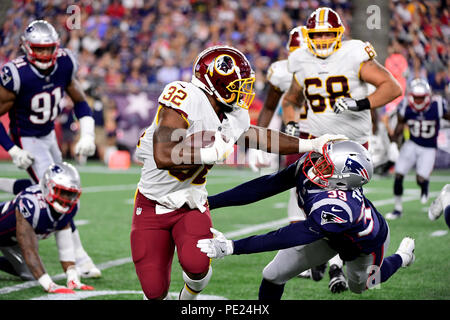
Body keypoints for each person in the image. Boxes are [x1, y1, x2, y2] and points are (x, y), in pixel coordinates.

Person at [130, 45, 345, 300]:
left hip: (192, 202)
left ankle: (186, 300)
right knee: (154, 292)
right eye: (236, 87)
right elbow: (163, 155)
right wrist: (207, 154)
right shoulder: (186, 97)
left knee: (198, 266)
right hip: (152, 204)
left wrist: (312, 143)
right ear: (214, 84)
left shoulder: (232, 113)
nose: (243, 93)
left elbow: (258, 136)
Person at [198, 140, 415, 299]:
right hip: (324, 232)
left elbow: (285, 236)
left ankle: (403, 256)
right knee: (273, 274)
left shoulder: (338, 207)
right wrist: (209, 202)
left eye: (327, 166)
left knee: (363, 285)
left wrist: (232, 246)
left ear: (342, 181)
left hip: (365, 244)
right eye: (324, 159)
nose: (317, 164)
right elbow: (268, 185)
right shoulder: (312, 165)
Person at [0, 20, 101, 278]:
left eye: (49, 49)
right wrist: (12, 149)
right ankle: (80, 260)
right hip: (27, 138)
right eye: (39, 49)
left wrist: (87, 134)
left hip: (48, 134)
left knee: (59, 188)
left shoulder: (65, 63)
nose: (45, 55)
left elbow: (79, 100)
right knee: (58, 193)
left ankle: (3, 183)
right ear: (27, 48)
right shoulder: (17, 74)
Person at [0, 162, 94, 294]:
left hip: (10, 239)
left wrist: (73, 277)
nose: (66, 199)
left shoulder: (70, 208)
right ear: (47, 186)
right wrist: (49, 285)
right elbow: (29, 249)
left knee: (30, 274)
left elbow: (65, 246)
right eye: (61, 192)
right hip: (7, 234)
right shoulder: (31, 204)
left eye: (70, 194)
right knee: (37, 271)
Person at [386, 78, 450, 220]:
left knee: (420, 178)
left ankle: (424, 186)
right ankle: (397, 208)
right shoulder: (405, 105)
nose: (419, 101)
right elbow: (401, 124)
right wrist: (394, 138)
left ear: (428, 96)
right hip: (412, 143)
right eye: (416, 98)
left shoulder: (437, 105)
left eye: (421, 98)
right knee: (398, 174)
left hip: (429, 147)